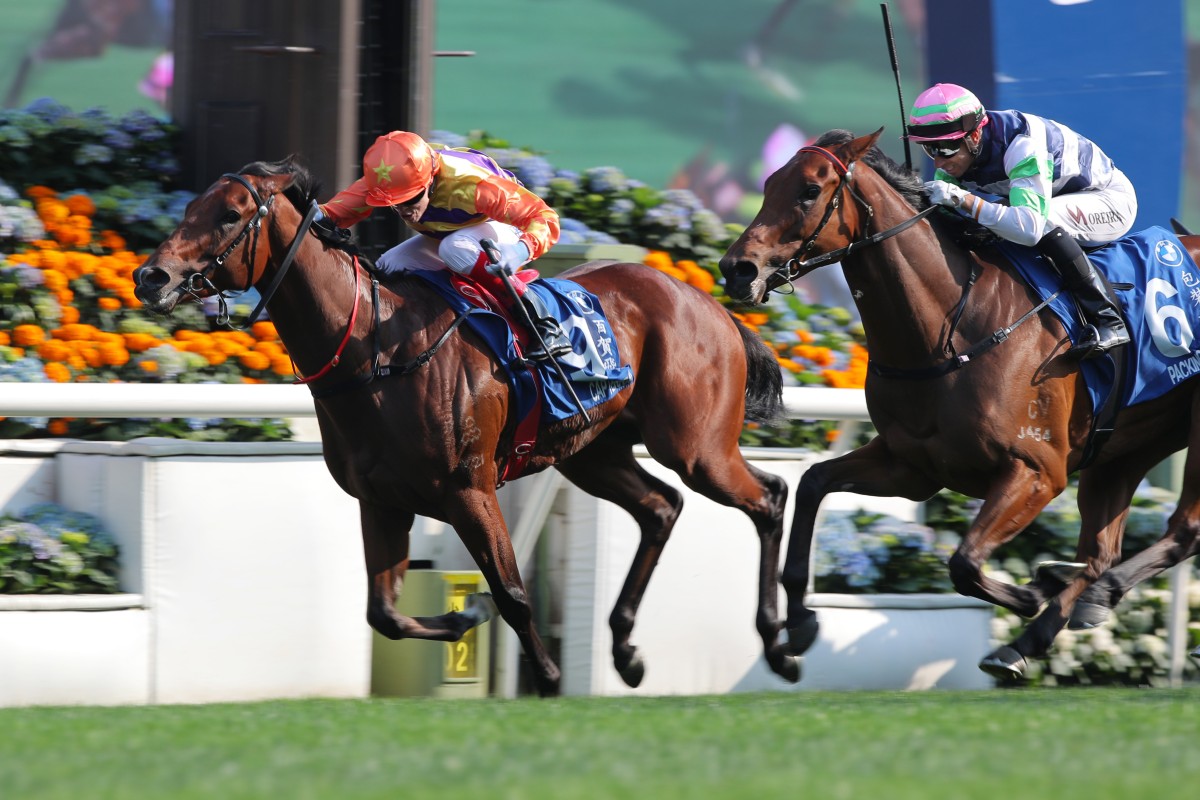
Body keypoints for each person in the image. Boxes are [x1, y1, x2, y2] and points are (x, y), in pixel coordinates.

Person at [907, 83, 1134, 359]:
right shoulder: (959, 156)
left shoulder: (1021, 145)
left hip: (1108, 200)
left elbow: (1029, 229)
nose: (940, 162)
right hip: (1050, 199)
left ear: (975, 134)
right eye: (931, 150)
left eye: (946, 148)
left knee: (1042, 220)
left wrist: (963, 200)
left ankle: (1108, 318)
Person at [314, 130, 569, 360]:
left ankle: (542, 321)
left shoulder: (472, 185)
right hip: (452, 236)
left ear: (430, 180)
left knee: (454, 248)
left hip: (506, 231)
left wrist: (522, 248)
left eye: (411, 199)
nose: (403, 211)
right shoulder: (389, 179)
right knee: (387, 267)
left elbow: (543, 217)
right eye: (393, 203)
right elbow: (335, 212)